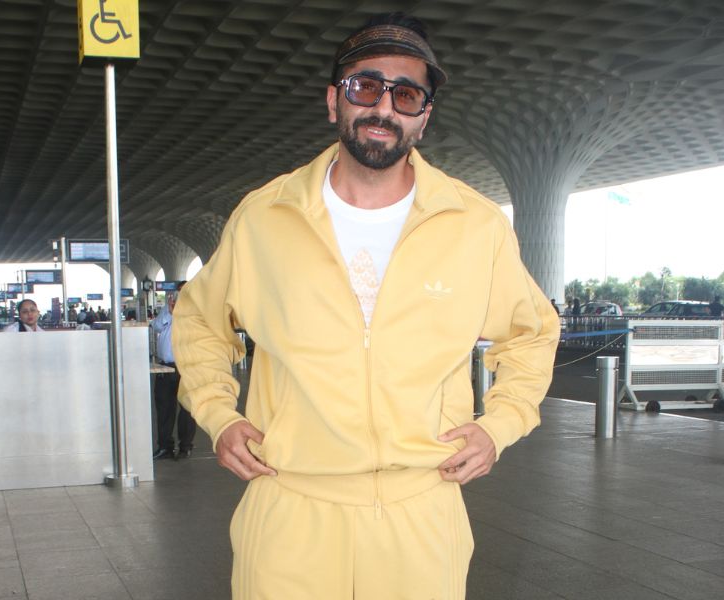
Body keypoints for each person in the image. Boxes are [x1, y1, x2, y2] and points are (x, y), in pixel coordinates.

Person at [173, 12, 559, 599]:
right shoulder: (264, 217)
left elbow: (532, 333)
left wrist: (499, 426)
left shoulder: (475, 225)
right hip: (290, 506)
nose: (384, 108)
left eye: (406, 95)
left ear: (423, 117)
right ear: (334, 101)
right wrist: (219, 415)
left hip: (420, 510)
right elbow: (200, 320)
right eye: (366, 87)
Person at [151, 289, 196, 460]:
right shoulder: (167, 309)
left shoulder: (196, 310)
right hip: (165, 367)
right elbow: (156, 326)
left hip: (187, 367)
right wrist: (169, 313)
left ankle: (185, 446)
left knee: (187, 409)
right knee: (164, 409)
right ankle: (165, 447)